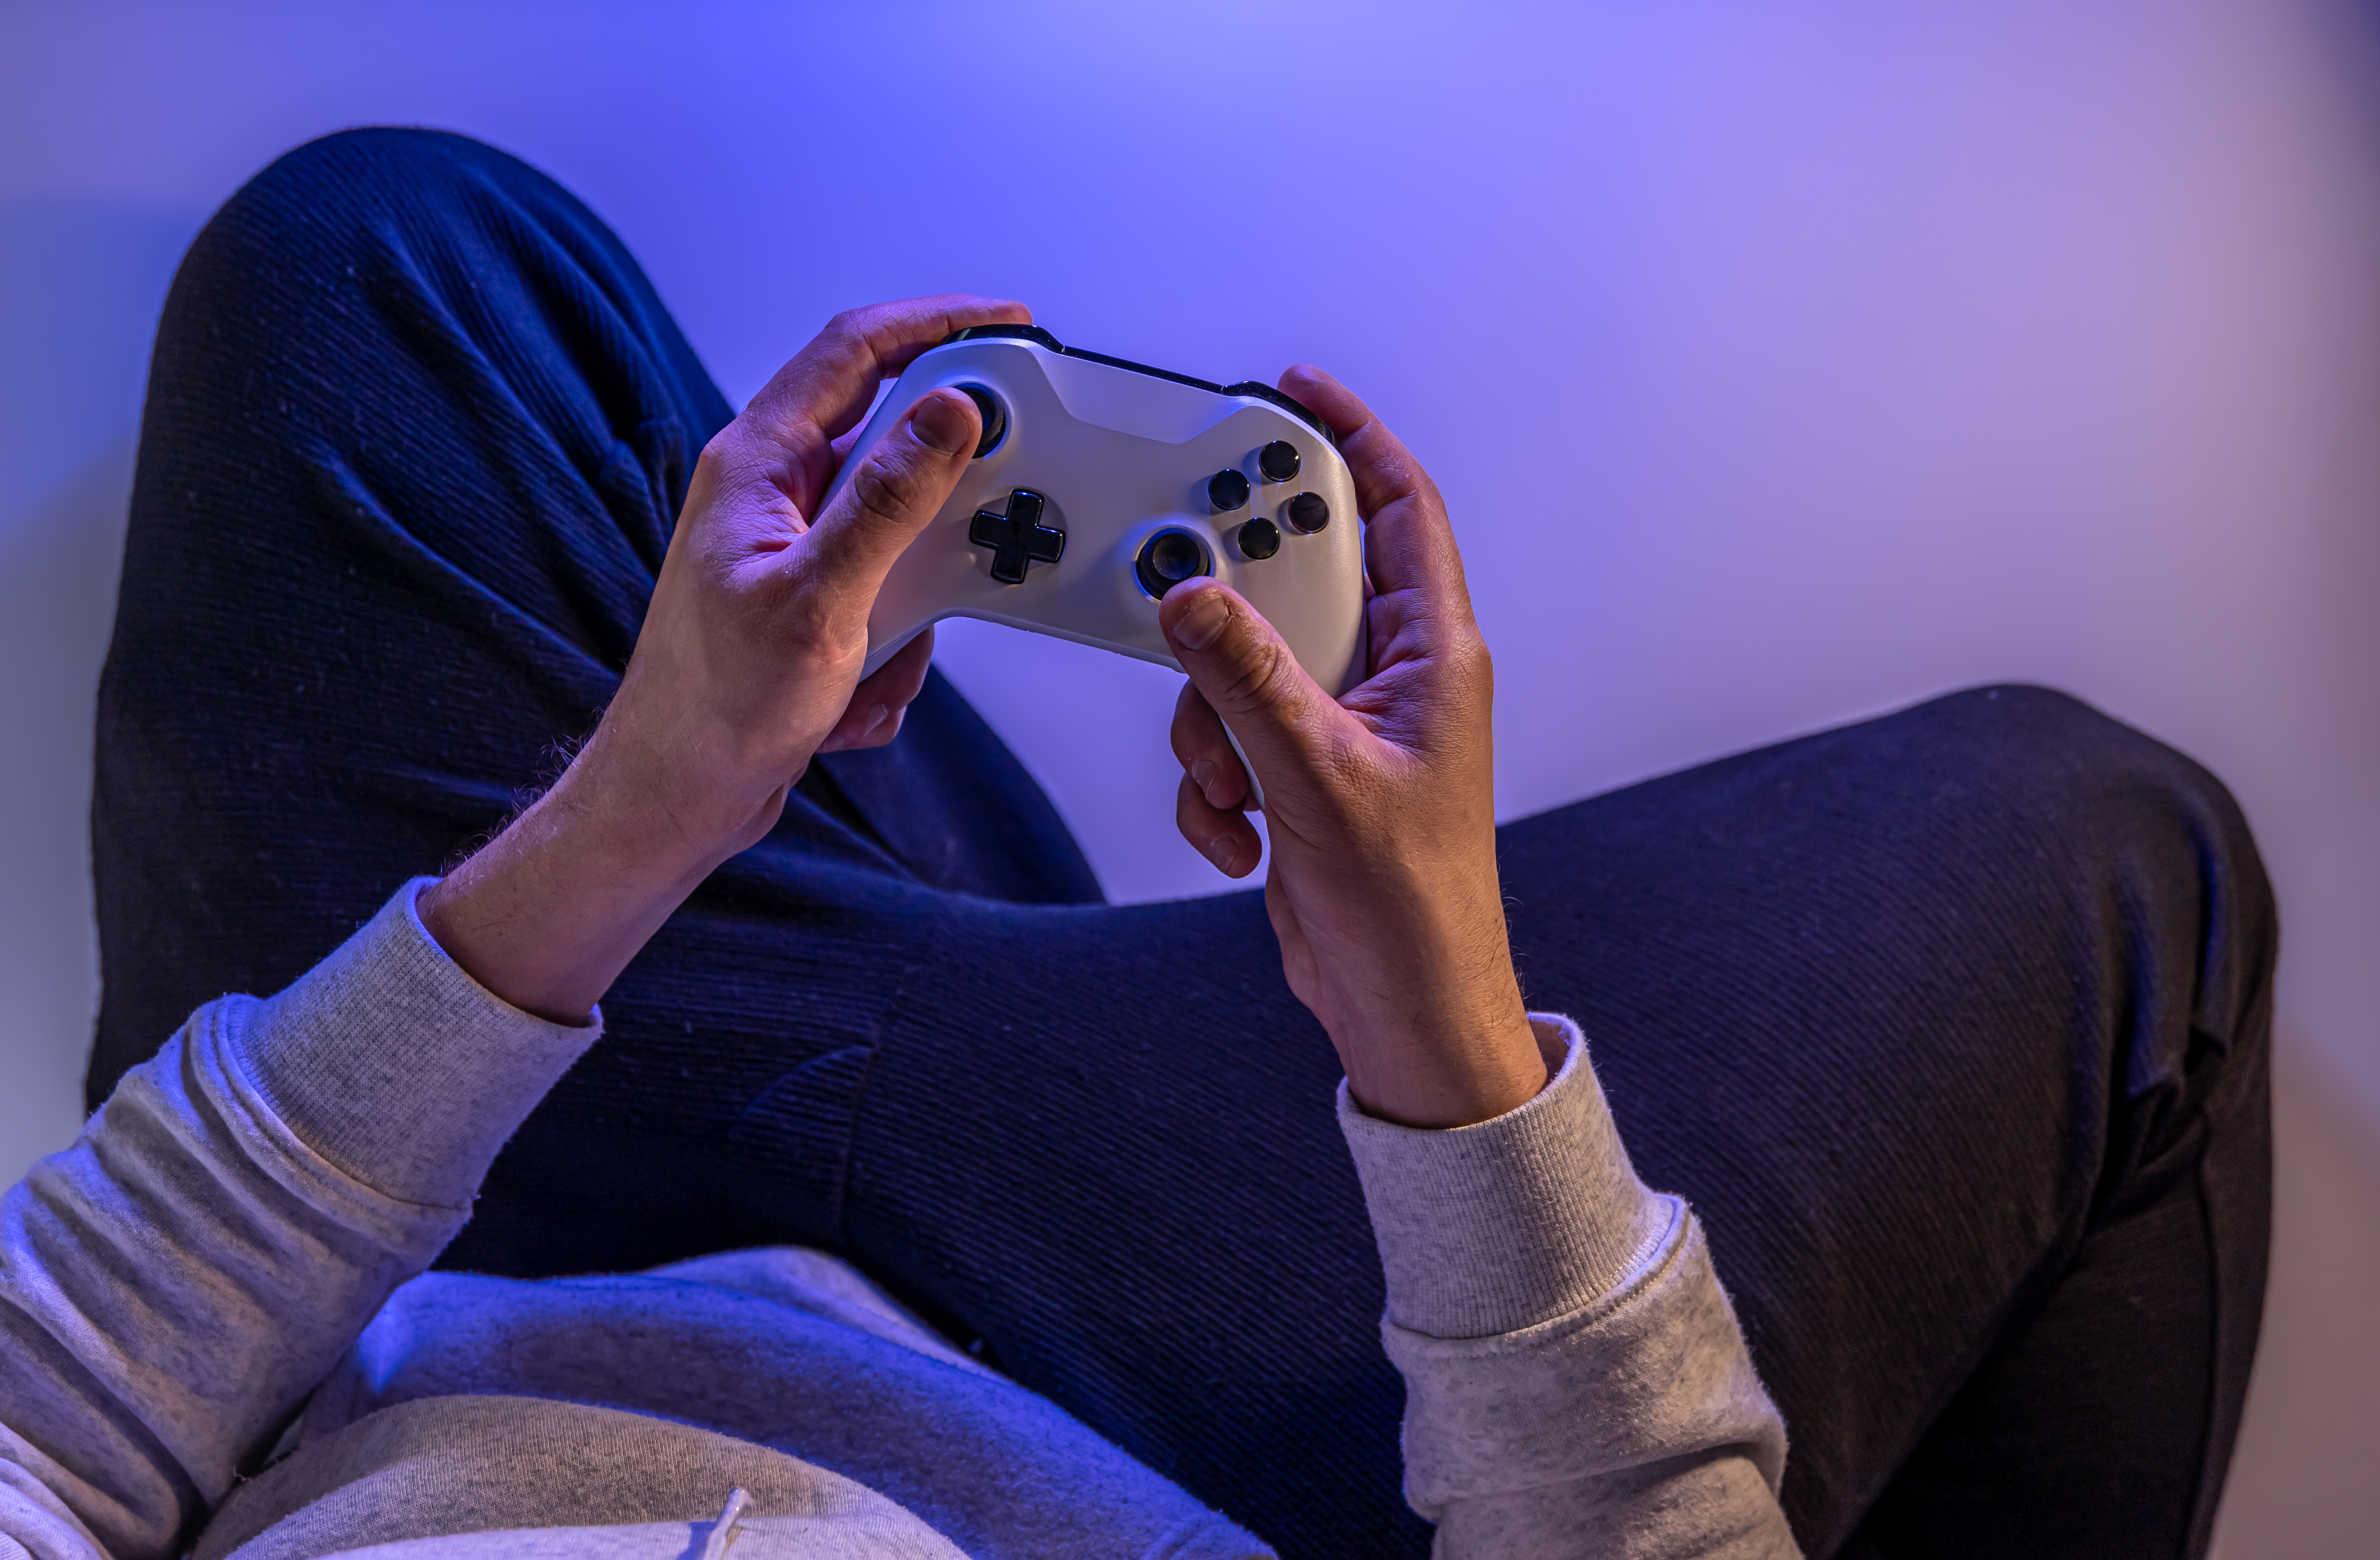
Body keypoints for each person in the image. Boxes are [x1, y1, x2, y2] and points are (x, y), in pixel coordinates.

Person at [9, 130, 2271, 1559]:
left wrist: (634, 817)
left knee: (379, 260)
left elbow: (59, 1398)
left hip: (440, 1276)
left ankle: (824, 899)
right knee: (2111, 867)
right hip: (1200, 1413)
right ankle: (923, 956)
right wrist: (1439, 1041)